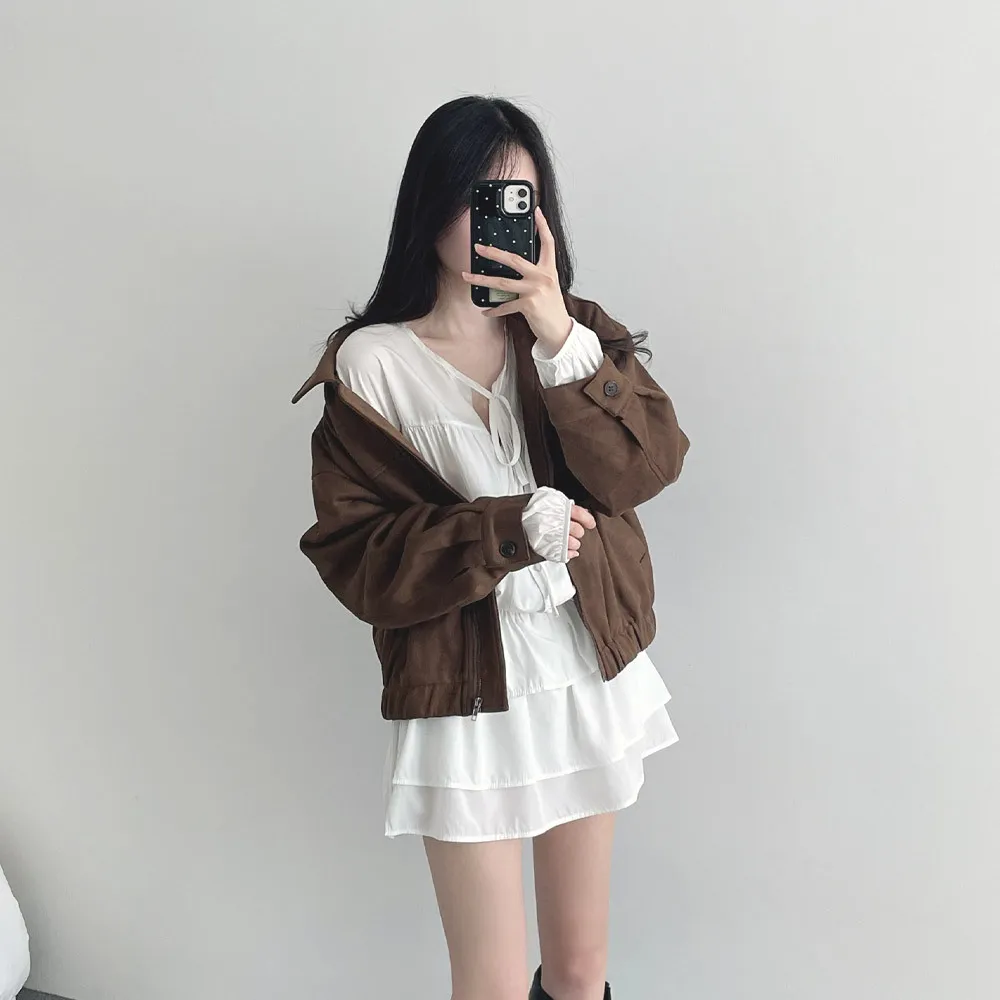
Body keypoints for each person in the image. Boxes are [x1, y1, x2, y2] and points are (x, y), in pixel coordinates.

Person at [292, 95, 690, 1000]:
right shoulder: (372, 363)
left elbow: (648, 467)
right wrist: (506, 530)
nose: (498, 219)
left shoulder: (569, 332)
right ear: (430, 205)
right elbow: (360, 557)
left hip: (583, 670)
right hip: (465, 691)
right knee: (492, 985)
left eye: (520, 197)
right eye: (479, 195)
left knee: (581, 970)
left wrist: (556, 330)